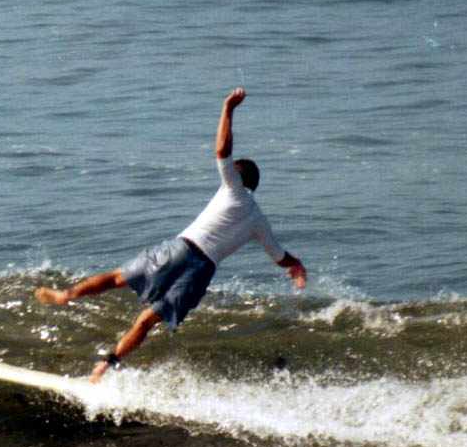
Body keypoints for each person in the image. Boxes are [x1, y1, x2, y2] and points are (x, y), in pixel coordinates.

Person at [35, 87, 307, 382]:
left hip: (181, 250)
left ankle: (66, 295)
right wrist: (297, 266)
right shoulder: (258, 220)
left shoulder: (233, 188)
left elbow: (221, 151)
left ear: (239, 178)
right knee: (147, 320)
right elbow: (279, 256)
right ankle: (105, 365)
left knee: (117, 278)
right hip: (201, 271)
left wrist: (228, 108)